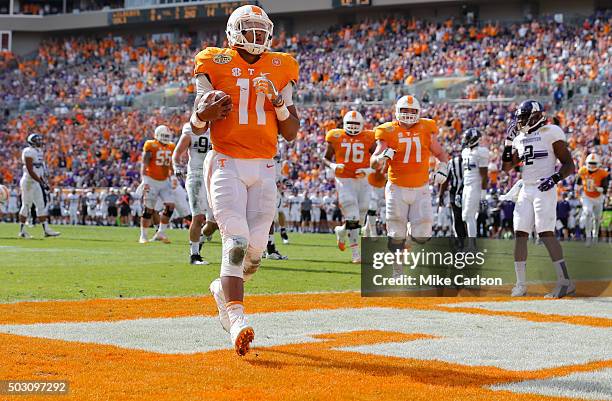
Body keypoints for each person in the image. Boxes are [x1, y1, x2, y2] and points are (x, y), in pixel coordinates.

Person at [191, 4, 300, 356]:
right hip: (226, 161)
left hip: (265, 165)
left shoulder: (282, 65)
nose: (256, 35)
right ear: (233, 30)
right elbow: (197, 118)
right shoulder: (212, 60)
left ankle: (224, 292)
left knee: (255, 250)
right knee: (235, 241)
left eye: (260, 28)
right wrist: (200, 114)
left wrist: (279, 104)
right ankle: (236, 319)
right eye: (248, 28)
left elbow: (292, 131)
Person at [502, 100, 576, 298]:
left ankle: (565, 281)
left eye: (523, 118)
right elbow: (507, 168)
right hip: (526, 188)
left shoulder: (551, 132)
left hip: (544, 187)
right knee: (520, 234)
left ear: (535, 116)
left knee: (545, 233)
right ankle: (520, 284)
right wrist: (508, 144)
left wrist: (554, 179)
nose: (520, 122)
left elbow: (569, 164)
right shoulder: (519, 138)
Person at [370, 95, 449, 273]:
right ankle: (397, 270)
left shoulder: (426, 128)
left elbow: (441, 154)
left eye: (412, 111)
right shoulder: (387, 131)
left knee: (422, 235)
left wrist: (442, 168)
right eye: (404, 110)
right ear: (397, 111)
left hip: (421, 188)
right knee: (395, 230)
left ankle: (406, 240)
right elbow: (373, 161)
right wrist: (381, 157)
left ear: (418, 112)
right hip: (397, 187)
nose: (408, 114)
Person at [324, 110, 376, 263]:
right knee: (352, 216)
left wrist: (368, 170)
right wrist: (333, 166)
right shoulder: (336, 136)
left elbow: (378, 157)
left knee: (359, 216)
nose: (353, 127)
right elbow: (325, 158)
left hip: (364, 180)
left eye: (356, 124)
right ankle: (356, 253)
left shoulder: (369, 137)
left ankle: (341, 231)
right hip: (345, 180)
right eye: (350, 124)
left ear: (362, 125)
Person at [172, 122, 216, 264]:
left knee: (214, 223)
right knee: (198, 217)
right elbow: (177, 153)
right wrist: (176, 166)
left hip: (214, 176)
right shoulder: (191, 129)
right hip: (196, 174)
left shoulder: (219, 127)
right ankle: (194, 255)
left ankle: (199, 241)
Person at [18, 134, 60, 238]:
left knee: (41, 205)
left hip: (36, 181)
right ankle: (22, 230)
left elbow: (38, 171)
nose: (40, 142)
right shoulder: (28, 151)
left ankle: (46, 230)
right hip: (28, 181)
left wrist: (43, 181)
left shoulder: (39, 151)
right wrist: (41, 182)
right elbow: (30, 170)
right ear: (31, 142)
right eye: (37, 140)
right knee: (26, 205)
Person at [139, 125, 176, 244]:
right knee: (148, 209)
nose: (165, 138)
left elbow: (171, 164)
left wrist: (173, 176)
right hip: (151, 180)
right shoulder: (151, 144)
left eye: (167, 136)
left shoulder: (171, 146)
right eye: (163, 135)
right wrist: (144, 179)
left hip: (164, 181)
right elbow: (145, 162)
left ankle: (160, 233)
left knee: (170, 206)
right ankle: (143, 236)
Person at [460, 128, 489, 248]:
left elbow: (484, 175)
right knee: (465, 216)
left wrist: (483, 195)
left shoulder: (481, 152)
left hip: (475, 186)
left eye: (467, 138)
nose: (465, 141)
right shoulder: (465, 152)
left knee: (469, 215)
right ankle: (471, 244)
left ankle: (472, 246)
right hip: (466, 186)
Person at [575, 153, 609, 246]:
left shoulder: (603, 173)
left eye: (594, 163)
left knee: (597, 219)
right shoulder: (582, 170)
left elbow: (605, 190)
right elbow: (577, 184)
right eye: (590, 163)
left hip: (598, 197)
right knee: (587, 213)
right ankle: (588, 237)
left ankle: (595, 236)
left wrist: (596, 188)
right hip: (587, 196)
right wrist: (577, 194)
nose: (592, 165)